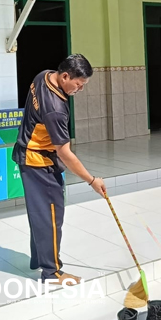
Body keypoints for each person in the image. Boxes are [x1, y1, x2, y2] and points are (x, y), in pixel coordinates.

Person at [12, 54, 107, 284]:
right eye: (78, 84)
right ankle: (52, 272)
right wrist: (92, 180)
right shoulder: (56, 108)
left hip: (27, 154)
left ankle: (39, 259)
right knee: (51, 216)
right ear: (65, 76)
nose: (79, 90)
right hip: (39, 163)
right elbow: (65, 153)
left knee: (39, 212)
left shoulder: (43, 76)